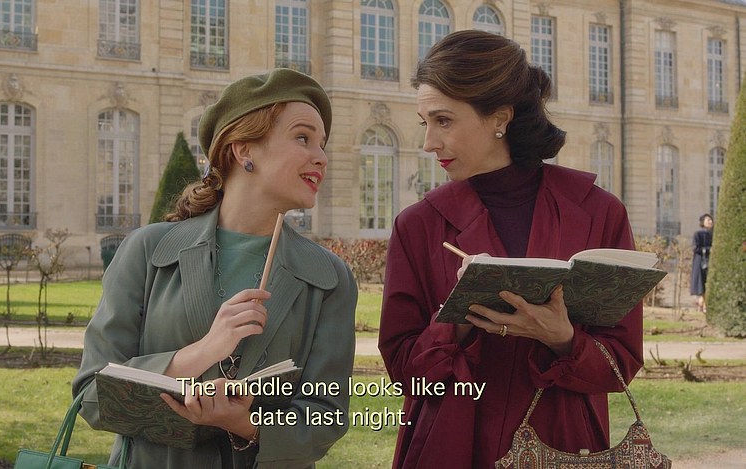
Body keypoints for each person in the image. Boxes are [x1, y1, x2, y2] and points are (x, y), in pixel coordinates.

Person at [378, 30, 644, 468]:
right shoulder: (417, 225)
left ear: (500, 118)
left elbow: (623, 362)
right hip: (450, 448)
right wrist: (457, 319)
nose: (428, 143)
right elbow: (403, 370)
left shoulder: (599, 213)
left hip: (563, 447)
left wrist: (562, 339)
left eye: (443, 121)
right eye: (424, 122)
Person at [73, 69, 358, 468]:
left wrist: (245, 423)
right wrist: (202, 352)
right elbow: (91, 396)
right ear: (244, 150)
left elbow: (326, 417)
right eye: (302, 137)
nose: (322, 157)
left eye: (322, 144)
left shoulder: (329, 278)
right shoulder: (148, 251)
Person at [690, 213, 714, 313]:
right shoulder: (698, 234)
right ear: (703, 222)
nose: (711, 222)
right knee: (701, 284)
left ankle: (704, 305)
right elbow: (696, 248)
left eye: (711, 220)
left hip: (711, 261)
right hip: (700, 261)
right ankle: (703, 305)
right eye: (708, 220)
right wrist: (708, 250)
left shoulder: (714, 234)